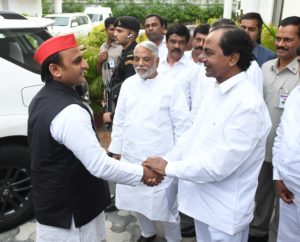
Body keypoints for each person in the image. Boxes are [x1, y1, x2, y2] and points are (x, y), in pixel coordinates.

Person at [28, 33, 162, 242]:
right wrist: (143, 173)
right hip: (73, 216)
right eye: (77, 61)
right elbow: (98, 166)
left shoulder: (42, 97)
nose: (85, 65)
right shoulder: (69, 112)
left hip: (54, 206)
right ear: (55, 70)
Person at [144, 26, 272, 242]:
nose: (201, 57)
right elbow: (192, 137)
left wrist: (168, 168)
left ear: (233, 58)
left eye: (209, 53)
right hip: (202, 205)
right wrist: (166, 161)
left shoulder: (247, 105)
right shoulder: (216, 88)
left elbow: (219, 165)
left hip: (223, 214)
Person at [108, 40, 191, 242]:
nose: (140, 64)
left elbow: (183, 128)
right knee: (137, 201)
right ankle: (148, 233)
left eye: (146, 59)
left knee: (167, 206)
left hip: (162, 158)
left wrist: (171, 161)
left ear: (157, 60)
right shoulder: (128, 85)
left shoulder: (171, 86)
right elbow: (119, 119)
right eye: (136, 59)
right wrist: (116, 149)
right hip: (132, 156)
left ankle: (173, 239)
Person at [249, 16, 300, 242]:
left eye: (287, 40)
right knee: (261, 199)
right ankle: (257, 235)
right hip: (262, 149)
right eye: (278, 39)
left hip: (287, 157)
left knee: (286, 205)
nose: (280, 44)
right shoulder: (265, 67)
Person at [272, 46, 300, 242]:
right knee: (288, 237)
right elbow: (281, 136)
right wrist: (278, 176)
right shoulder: (296, 93)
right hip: (289, 185)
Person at [102, 16, 139, 125]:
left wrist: (113, 116)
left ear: (131, 35)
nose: (114, 34)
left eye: (119, 31)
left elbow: (130, 92)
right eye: (115, 30)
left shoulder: (132, 56)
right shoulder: (125, 53)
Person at [158, 23, 200, 110]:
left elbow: (196, 102)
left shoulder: (194, 70)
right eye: (173, 42)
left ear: (187, 44)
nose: (177, 46)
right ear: (166, 43)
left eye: (181, 42)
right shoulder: (156, 65)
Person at [97, 17, 122, 86]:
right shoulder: (102, 47)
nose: (115, 32)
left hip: (118, 88)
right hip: (107, 89)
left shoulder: (122, 47)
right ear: (105, 30)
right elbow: (100, 72)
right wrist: (99, 62)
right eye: (112, 29)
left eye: (117, 30)